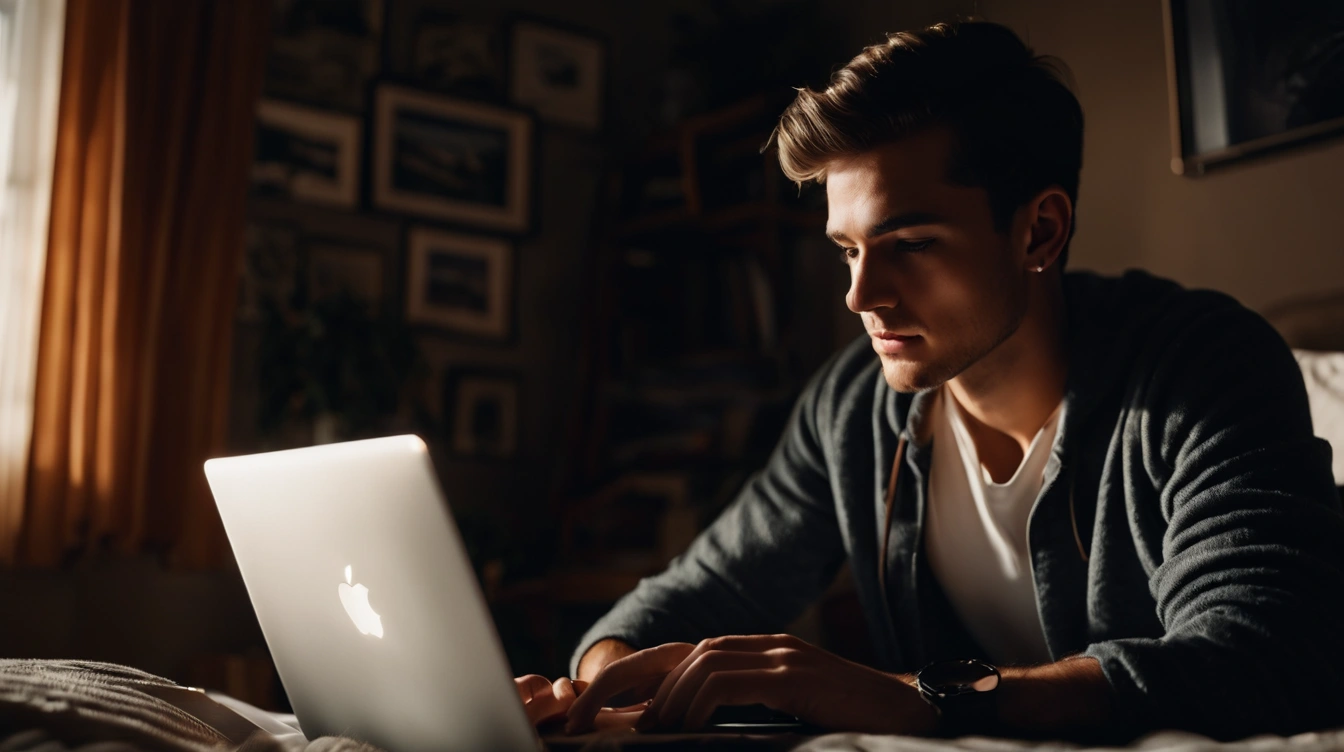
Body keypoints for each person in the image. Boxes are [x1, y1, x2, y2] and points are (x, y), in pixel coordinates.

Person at [515, 20, 1344, 741]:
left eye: (909, 244)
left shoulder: (1203, 366)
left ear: (1039, 230)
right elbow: (687, 598)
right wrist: (604, 682)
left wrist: (910, 699)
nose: (859, 295)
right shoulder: (851, 406)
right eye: (848, 249)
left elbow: (1259, 660)